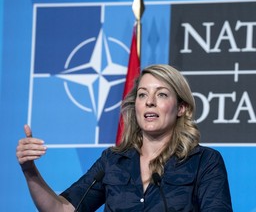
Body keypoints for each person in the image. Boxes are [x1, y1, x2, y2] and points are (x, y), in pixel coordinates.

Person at [16, 64, 233, 212]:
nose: (150, 101)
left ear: (181, 108)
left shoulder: (205, 161)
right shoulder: (112, 161)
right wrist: (29, 171)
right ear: (135, 105)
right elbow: (62, 208)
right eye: (142, 94)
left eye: (161, 94)